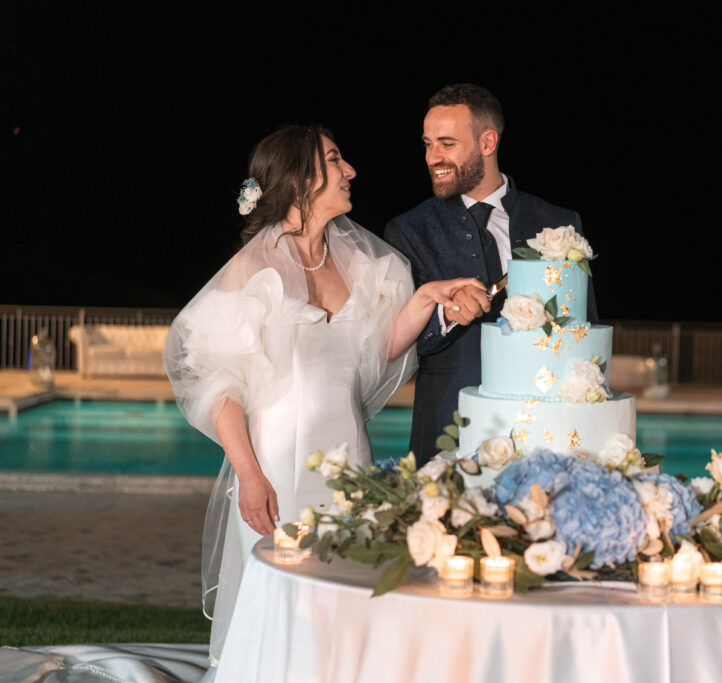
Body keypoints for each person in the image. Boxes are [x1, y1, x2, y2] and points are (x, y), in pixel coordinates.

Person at [163, 125, 483, 664]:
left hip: (349, 463)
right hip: (279, 468)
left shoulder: (357, 261)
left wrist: (426, 298)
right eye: (335, 160)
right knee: (288, 610)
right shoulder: (253, 269)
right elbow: (220, 384)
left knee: (345, 598)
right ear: (302, 179)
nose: (350, 170)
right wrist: (248, 474)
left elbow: (376, 349)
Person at [384, 84, 598, 465]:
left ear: (487, 142)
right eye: (427, 144)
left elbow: (585, 328)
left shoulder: (559, 224)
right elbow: (395, 346)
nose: (433, 157)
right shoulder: (408, 231)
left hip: (545, 430)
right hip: (447, 428)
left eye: (446, 144)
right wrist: (444, 315)